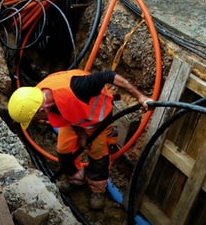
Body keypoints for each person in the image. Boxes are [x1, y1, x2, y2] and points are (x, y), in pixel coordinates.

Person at [8, 69, 152, 210]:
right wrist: (81, 133)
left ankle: (97, 190)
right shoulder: (38, 97)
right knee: (63, 151)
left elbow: (108, 75)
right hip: (76, 120)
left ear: (41, 111)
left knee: (98, 155)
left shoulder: (79, 87)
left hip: (97, 120)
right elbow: (67, 111)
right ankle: (77, 180)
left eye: (34, 119)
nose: (36, 121)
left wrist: (140, 97)